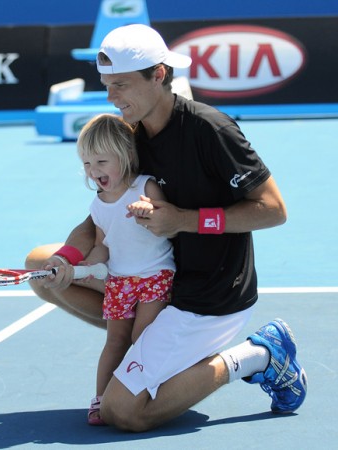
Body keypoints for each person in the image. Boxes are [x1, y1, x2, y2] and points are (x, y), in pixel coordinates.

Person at [25, 24, 307, 432]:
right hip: (152, 279)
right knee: (41, 269)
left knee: (122, 411)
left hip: (208, 296)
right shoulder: (131, 136)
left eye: (120, 85)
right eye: (107, 85)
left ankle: (259, 355)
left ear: (158, 75)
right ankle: (143, 344)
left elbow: (273, 209)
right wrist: (66, 259)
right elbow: (95, 221)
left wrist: (183, 220)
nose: (110, 97)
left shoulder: (211, 130)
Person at [75, 113, 176, 426]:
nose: (94, 172)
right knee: (115, 341)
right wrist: (93, 260)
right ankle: (100, 398)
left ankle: (146, 391)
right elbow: (103, 242)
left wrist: (148, 210)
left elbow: (167, 224)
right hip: (120, 281)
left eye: (102, 162)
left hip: (156, 276)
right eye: (88, 164)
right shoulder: (98, 204)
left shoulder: (145, 186)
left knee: (141, 337)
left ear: (125, 155)